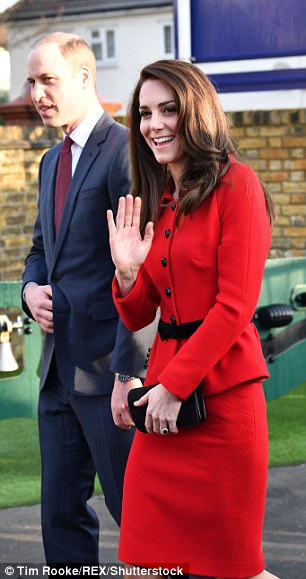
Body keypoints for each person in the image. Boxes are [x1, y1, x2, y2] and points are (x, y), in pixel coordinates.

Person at [107, 59, 280, 579]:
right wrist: (127, 273)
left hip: (221, 407)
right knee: (146, 562)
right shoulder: (163, 198)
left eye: (168, 110)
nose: (154, 124)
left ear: (196, 112)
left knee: (234, 570)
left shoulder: (238, 186)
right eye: (144, 113)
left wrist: (174, 386)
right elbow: (143, 312)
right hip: (164, 408)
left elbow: (235, 307)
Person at [22, 32, 156, 566]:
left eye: (47, 79)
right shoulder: (49, 162)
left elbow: (142, 272)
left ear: (84, 78)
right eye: (31, 81)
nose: (36, 92)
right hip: (57, 375)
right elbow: (39, 250)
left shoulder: (126, 152)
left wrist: (130, 374)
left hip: (109, 375)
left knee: (138, 516)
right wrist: (32, 289)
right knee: (59, 517)